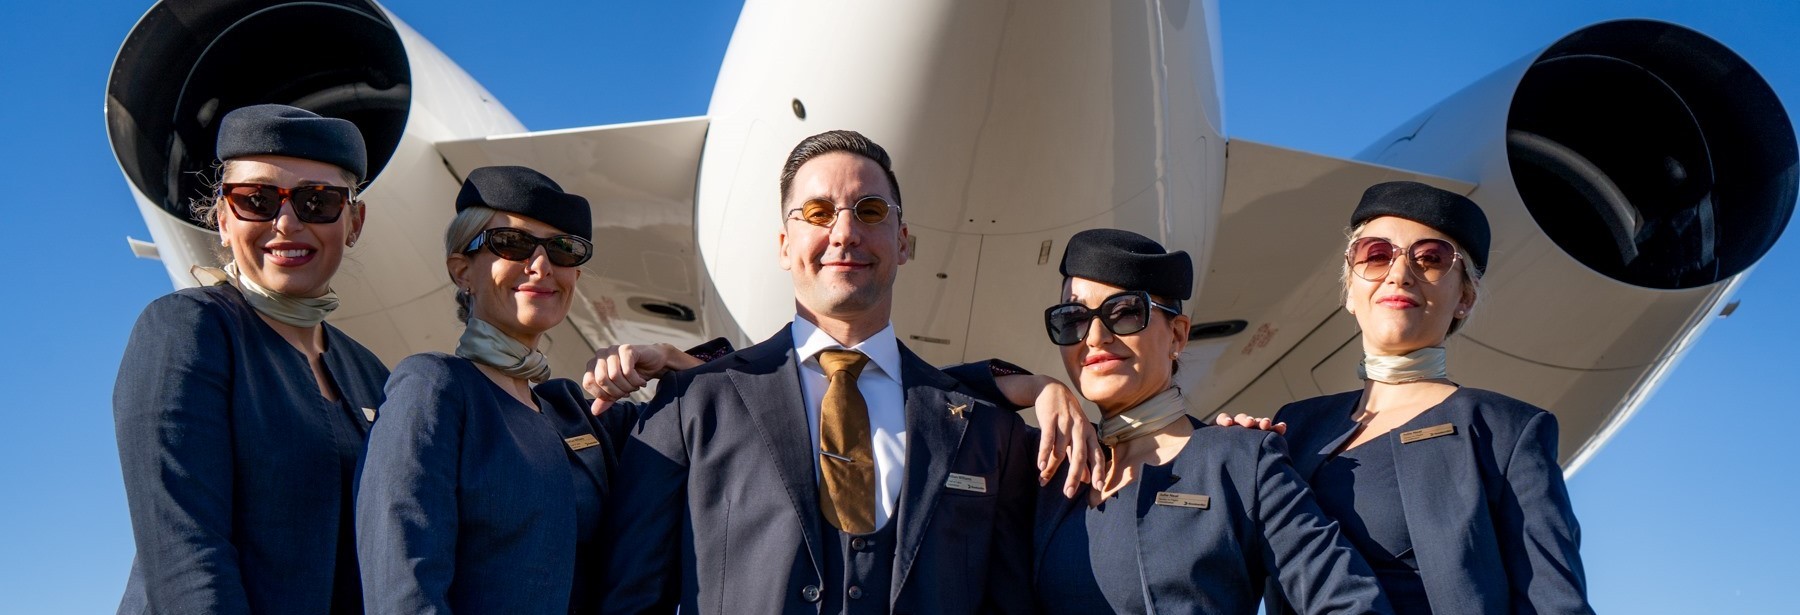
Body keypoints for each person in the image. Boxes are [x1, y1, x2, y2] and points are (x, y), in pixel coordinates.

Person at [598, 130, 1062, 615]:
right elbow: (632, 599)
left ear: (903, 242)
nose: (844, 233)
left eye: (870, 211)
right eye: (818, 213)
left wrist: (1046, 386)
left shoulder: (987, 427)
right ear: (783, 245)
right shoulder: (690, 404)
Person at [1250, 181, 1592, 614]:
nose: (1399, 274)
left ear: (1464, 297)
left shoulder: (1506, 429)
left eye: (1431, 259)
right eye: (1375, 255)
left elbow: (1555, 604)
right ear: (1350, 291)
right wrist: (1223, 459)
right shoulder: (1294, 427)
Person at [1027, 228, 1393, 614]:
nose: (1096, 337)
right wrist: (1037, 387)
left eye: (1125, 312)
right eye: (1073, 319)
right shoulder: (1048, 473)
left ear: (1178, 335)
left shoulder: (1238, 460)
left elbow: (1348, 601)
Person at [113, 104, 385, 614]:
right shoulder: (187, 329)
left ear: (354, 221)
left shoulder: (372, 376)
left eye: (318, 201)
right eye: (256, 200)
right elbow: (185, 553)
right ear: (222, 218)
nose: (286, 223)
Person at [355, 166, 618, 614]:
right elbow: (404, 584)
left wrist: (668, 356)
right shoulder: (435, 387)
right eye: (512, 244)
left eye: (563, 250)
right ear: (462, 271)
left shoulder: (572, 410)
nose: (541, 266)